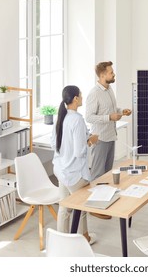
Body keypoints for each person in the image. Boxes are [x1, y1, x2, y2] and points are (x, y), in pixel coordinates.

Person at [51, 85, 99, 244]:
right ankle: (84, 238)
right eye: (81, 95)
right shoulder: (77, 119)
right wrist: (90, 141)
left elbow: (54, 144)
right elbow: (79, 152)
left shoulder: (60, 117)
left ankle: (62, 241)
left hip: (61, 170)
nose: (82, 97)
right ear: (76, 99)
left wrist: (83, 139)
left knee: (64, 206)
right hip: (75, 173)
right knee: (82, 206)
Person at [86, 61, 132, 181]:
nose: (114, 74)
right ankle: (94, 199)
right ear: (102, 75)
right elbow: (89, 117)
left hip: (111, 137)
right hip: (100, 140)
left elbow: (111, 109)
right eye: (111, 72)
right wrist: (109, 118)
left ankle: (105, 198)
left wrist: (122, 111)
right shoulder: (94, 93)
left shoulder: (109, 89)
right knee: (97, 175)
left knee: (107, 174)